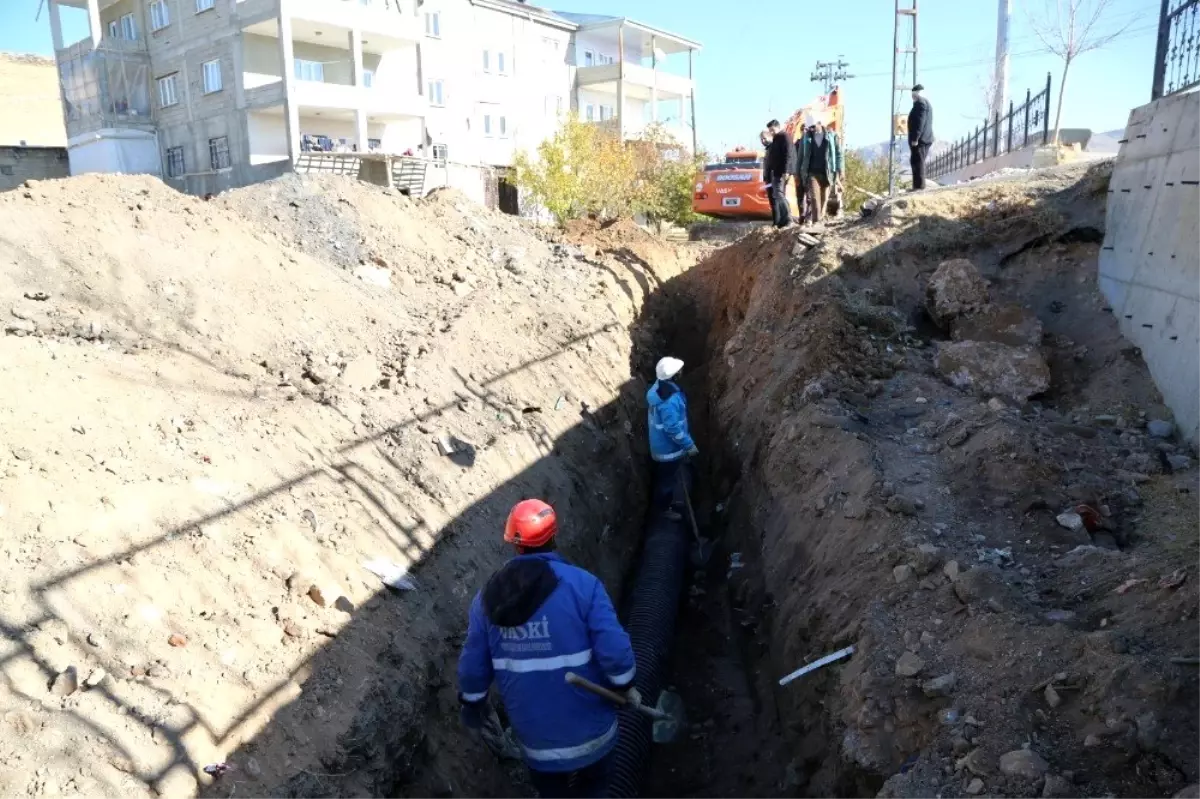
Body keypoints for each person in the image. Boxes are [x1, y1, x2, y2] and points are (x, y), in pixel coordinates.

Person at [457, 499, 638, 799]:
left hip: (537, 743)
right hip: (593, 734)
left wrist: (472, 704)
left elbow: (473, 667)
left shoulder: (487, 598)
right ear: (554, 536)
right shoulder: (583, 586)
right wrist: (626, 685)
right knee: (595, 789)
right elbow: (616, 652)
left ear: (515, 544)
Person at [647, 356, 698, 520]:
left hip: (660, 444)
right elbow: (673, 429)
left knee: (665, 476)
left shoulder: (658, 388)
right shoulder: (670, 401)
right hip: (668, 451)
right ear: (673, 376)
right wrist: (689, 445)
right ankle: (664, 509)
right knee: (667, 481)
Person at [797, 119, 844, 225]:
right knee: (814, 197)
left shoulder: (832, 136)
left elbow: (838, 154)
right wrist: (797, 172)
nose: (811, 129)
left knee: (823, 199)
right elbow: (800, 156)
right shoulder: (806, 137)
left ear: (820, 123)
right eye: (810, 128)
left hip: (827, 173)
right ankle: (816, 222)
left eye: (813, 127)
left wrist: (840, 169)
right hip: (812, 173)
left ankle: (820, 220)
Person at [763, 119, 794, 228]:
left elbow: (788, 154)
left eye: (772, 130)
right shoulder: (776, 139)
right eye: (770, 130)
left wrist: (786, 171)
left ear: (778, 126)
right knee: (776, 195)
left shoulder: (785, 137)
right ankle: (781, 221)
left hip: (781, 172)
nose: (771, 132)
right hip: (774, 173)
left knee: (780, 194)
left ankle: (789, 219)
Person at [908, 84, 934, 191]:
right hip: (924, 138)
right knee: (916, 161)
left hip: (921, 140)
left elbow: (920, 123)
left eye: (913, 95)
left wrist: (915, 138)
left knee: (918, 162)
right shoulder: (925, 103)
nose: (912, 97)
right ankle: (917, 186)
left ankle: (919, 187)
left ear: (916, 94)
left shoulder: (921, 104)